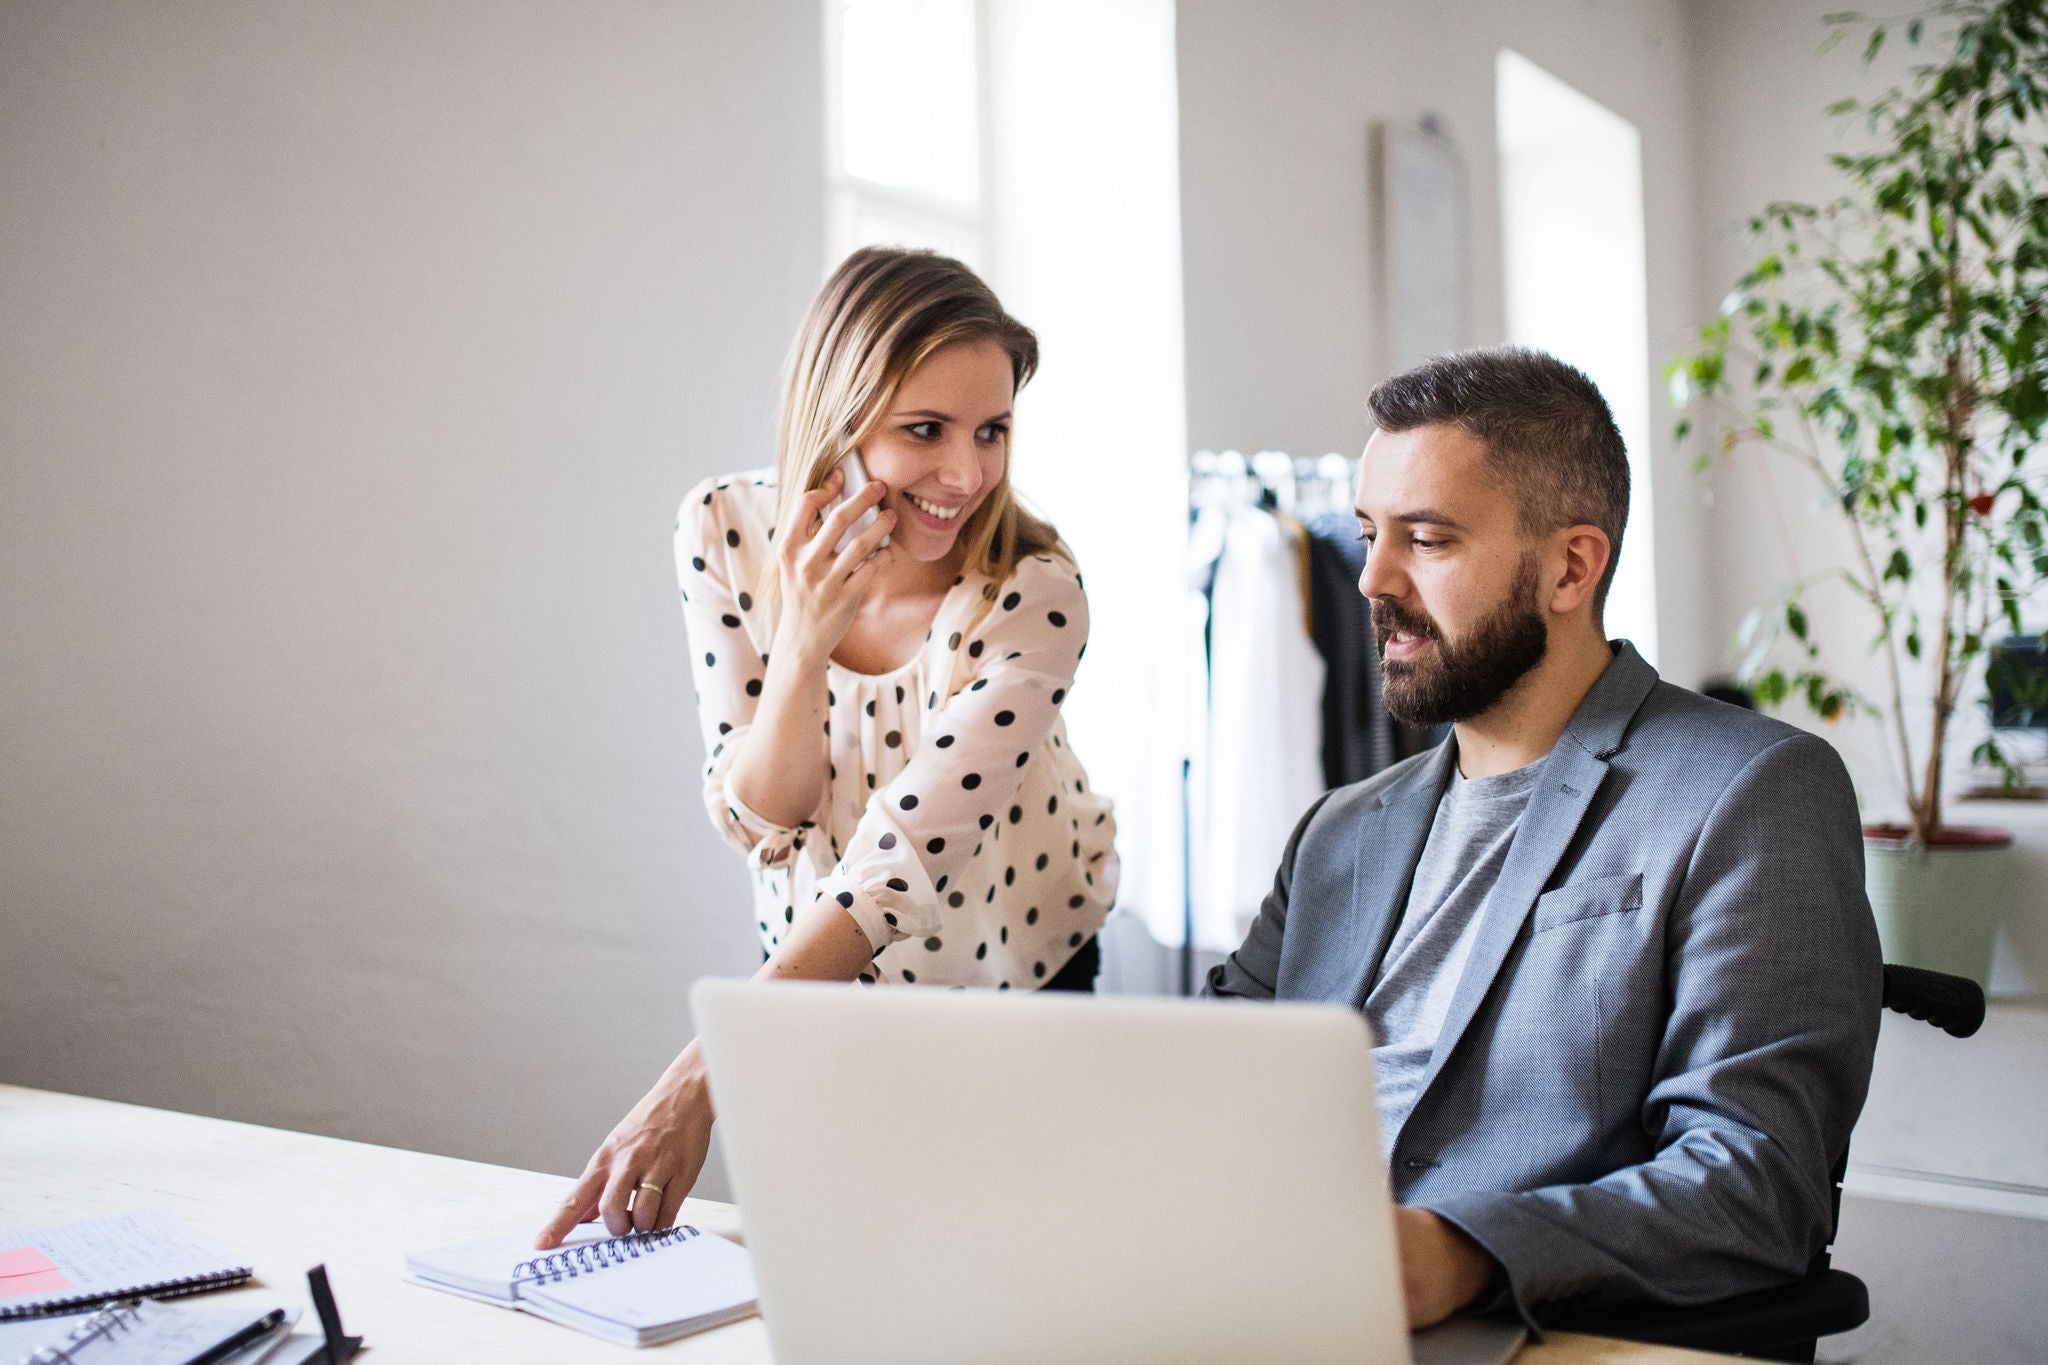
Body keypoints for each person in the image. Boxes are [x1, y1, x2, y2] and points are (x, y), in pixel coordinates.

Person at [1208, 347, 1882, 1331]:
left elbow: (1753, 1180)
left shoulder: (1748, 790)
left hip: (1516, 1324)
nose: (1369, 581)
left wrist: (1461, 1253)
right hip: (1271, 1301)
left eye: (1426, 540)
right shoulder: (1338, 831)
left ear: (1569, 566)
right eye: (1365, 533)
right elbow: (1205, 1075)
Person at [536, 246, 1117, 1250]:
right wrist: (802, 641)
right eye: (923, 431)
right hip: (812, 982)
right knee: (833, 1265)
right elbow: (760, 815)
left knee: (999, 1267)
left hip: (1008, 974)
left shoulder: (1033, 589)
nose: (965, 473)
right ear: (839, 418)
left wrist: (701, 1074)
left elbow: (902, 861)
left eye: (991, 430)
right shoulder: (722, 530)